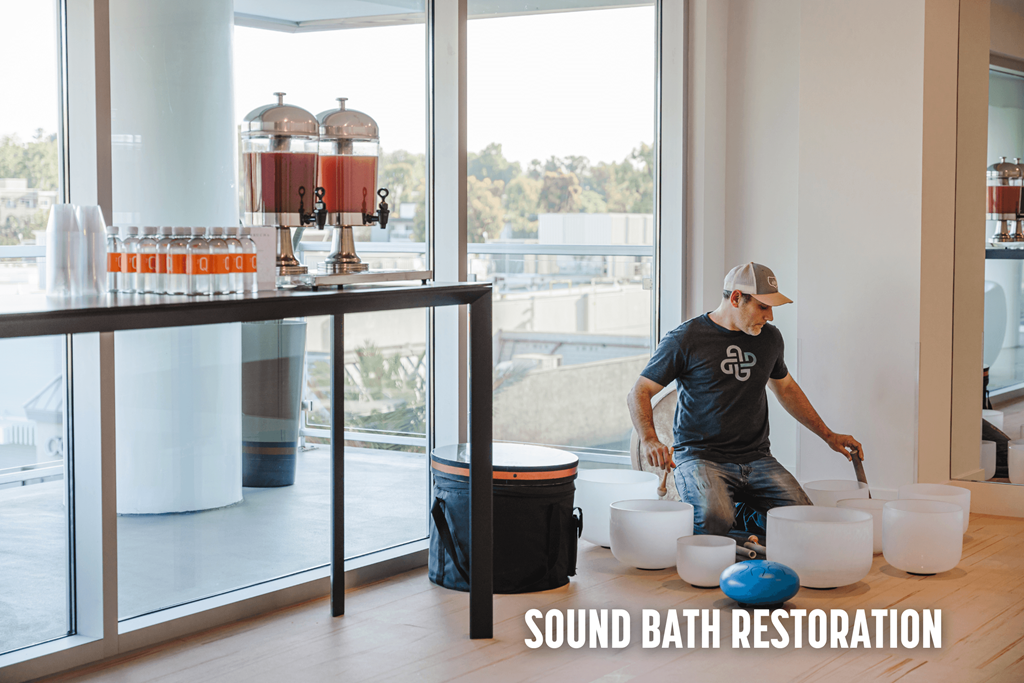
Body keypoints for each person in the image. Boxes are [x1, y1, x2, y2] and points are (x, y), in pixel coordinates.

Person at [626, 262, 864, 543]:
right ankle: (724, 523)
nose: (771, 316)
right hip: (701, 456)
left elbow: (786, 390)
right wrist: (650, 439)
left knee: (803, 521)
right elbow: (639, 392)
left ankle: (739, 519)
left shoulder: (769, 339)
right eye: (763, 307)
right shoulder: (686, 339)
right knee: (714, 520)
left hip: (756, 457)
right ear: (737, 298)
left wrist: (828, 436)